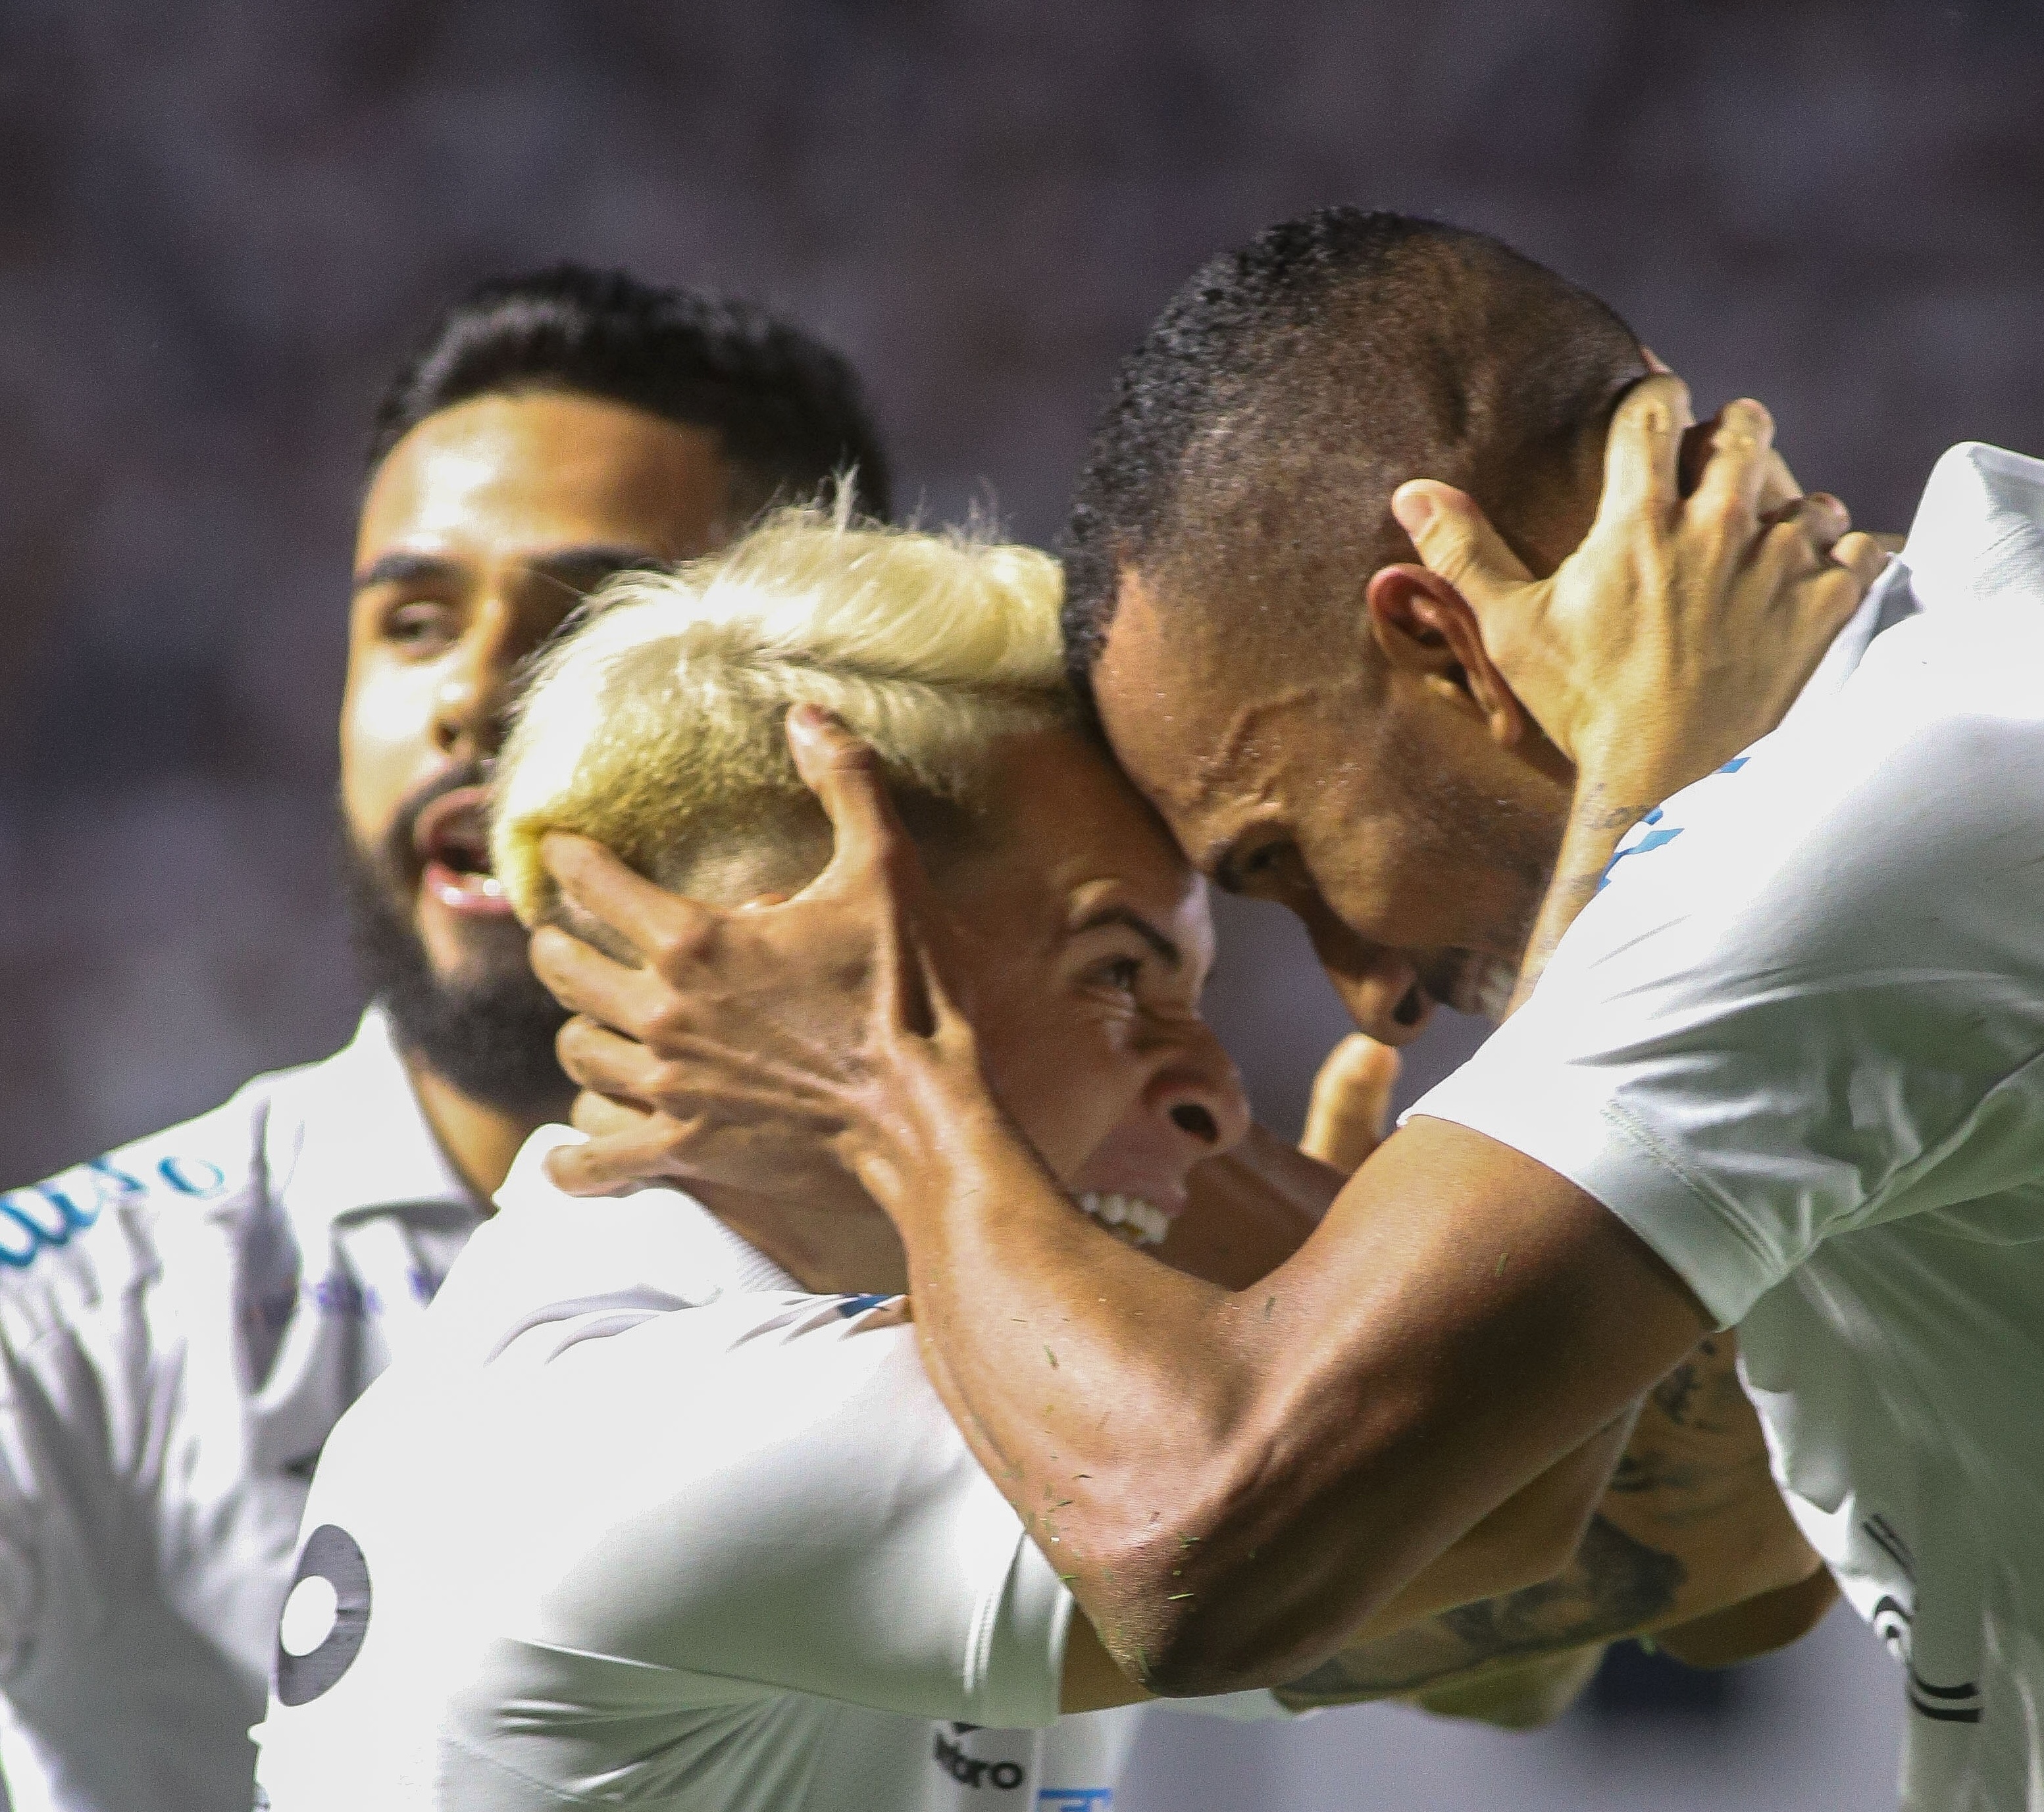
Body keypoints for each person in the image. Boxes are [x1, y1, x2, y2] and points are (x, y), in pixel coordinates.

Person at [534, 208, 2044, 1810]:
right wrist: (1623, 834)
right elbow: (1737, 1574)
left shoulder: (1875, 834)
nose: (1356, 984)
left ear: (1438, 638)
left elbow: (1193, 1536)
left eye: (1275, 862)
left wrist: (887, 1070)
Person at [253, 506, 1777, 1810]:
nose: (1207, 1088)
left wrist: (1306, 1239)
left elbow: (1651, 1562)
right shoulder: (616, 1432)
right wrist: (1647, 783)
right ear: (815, 959)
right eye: (1121, 974)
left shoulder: (822, 1351)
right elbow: (1457, 1516)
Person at [0, 264, 888, 1812]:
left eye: (591, 627)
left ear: (836, 723)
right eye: (413, 621)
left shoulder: (1030, 1287)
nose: (472, 693)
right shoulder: (79, 1326)